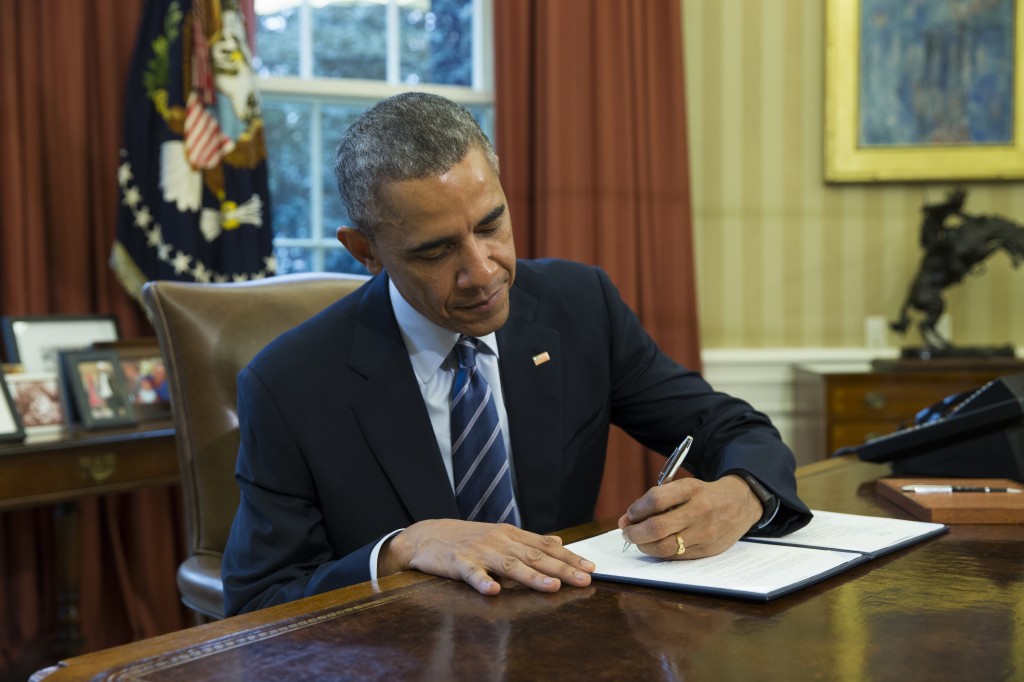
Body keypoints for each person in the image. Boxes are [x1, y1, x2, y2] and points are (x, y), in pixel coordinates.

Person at [222, 92, 812, 616]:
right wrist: (403, 549)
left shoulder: (580, 306)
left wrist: (743, 495)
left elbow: (732, 428)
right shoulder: (289, 384)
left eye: (491, 224)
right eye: (435, 252)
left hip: (565, 639)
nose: (482, 272)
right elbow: (259, 601)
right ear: (365, 251)